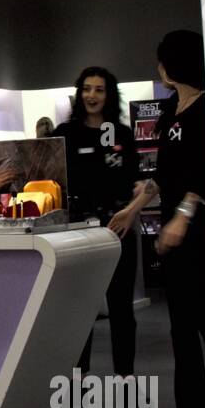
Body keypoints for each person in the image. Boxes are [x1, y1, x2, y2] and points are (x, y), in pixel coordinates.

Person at [117, 31, 205, 408]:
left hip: (203, 235)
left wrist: (181, 217)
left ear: (172, 65)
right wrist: (134, 207)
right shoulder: (172, 110)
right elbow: (164, 176)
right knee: (181, 331)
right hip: (176, 239)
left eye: (162, 62)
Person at [53, 66, 139, 377]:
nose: (92, 95)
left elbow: (136, 183)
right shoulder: (64, 133)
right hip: (78, 230)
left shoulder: (123, 134)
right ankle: (79, 381)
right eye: (87, 89)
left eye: (99, 89)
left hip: (118, 228)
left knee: (121, 309)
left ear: (109, 94)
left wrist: (131, 212)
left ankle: (125, 378)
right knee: (81, 310)